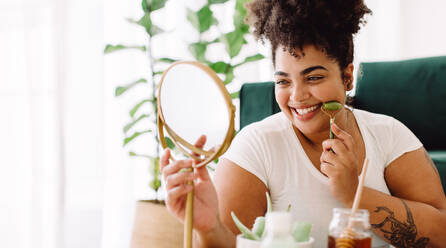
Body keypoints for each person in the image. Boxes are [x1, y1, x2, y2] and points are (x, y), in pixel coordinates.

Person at [160, 0, 446, 247]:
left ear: (347, 77)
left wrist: (354, 195)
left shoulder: (388, 134)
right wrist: (209, 229)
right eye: (283, 80)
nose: (297, 96)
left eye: (313, 77)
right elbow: (228, 244)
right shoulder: (257, 146)